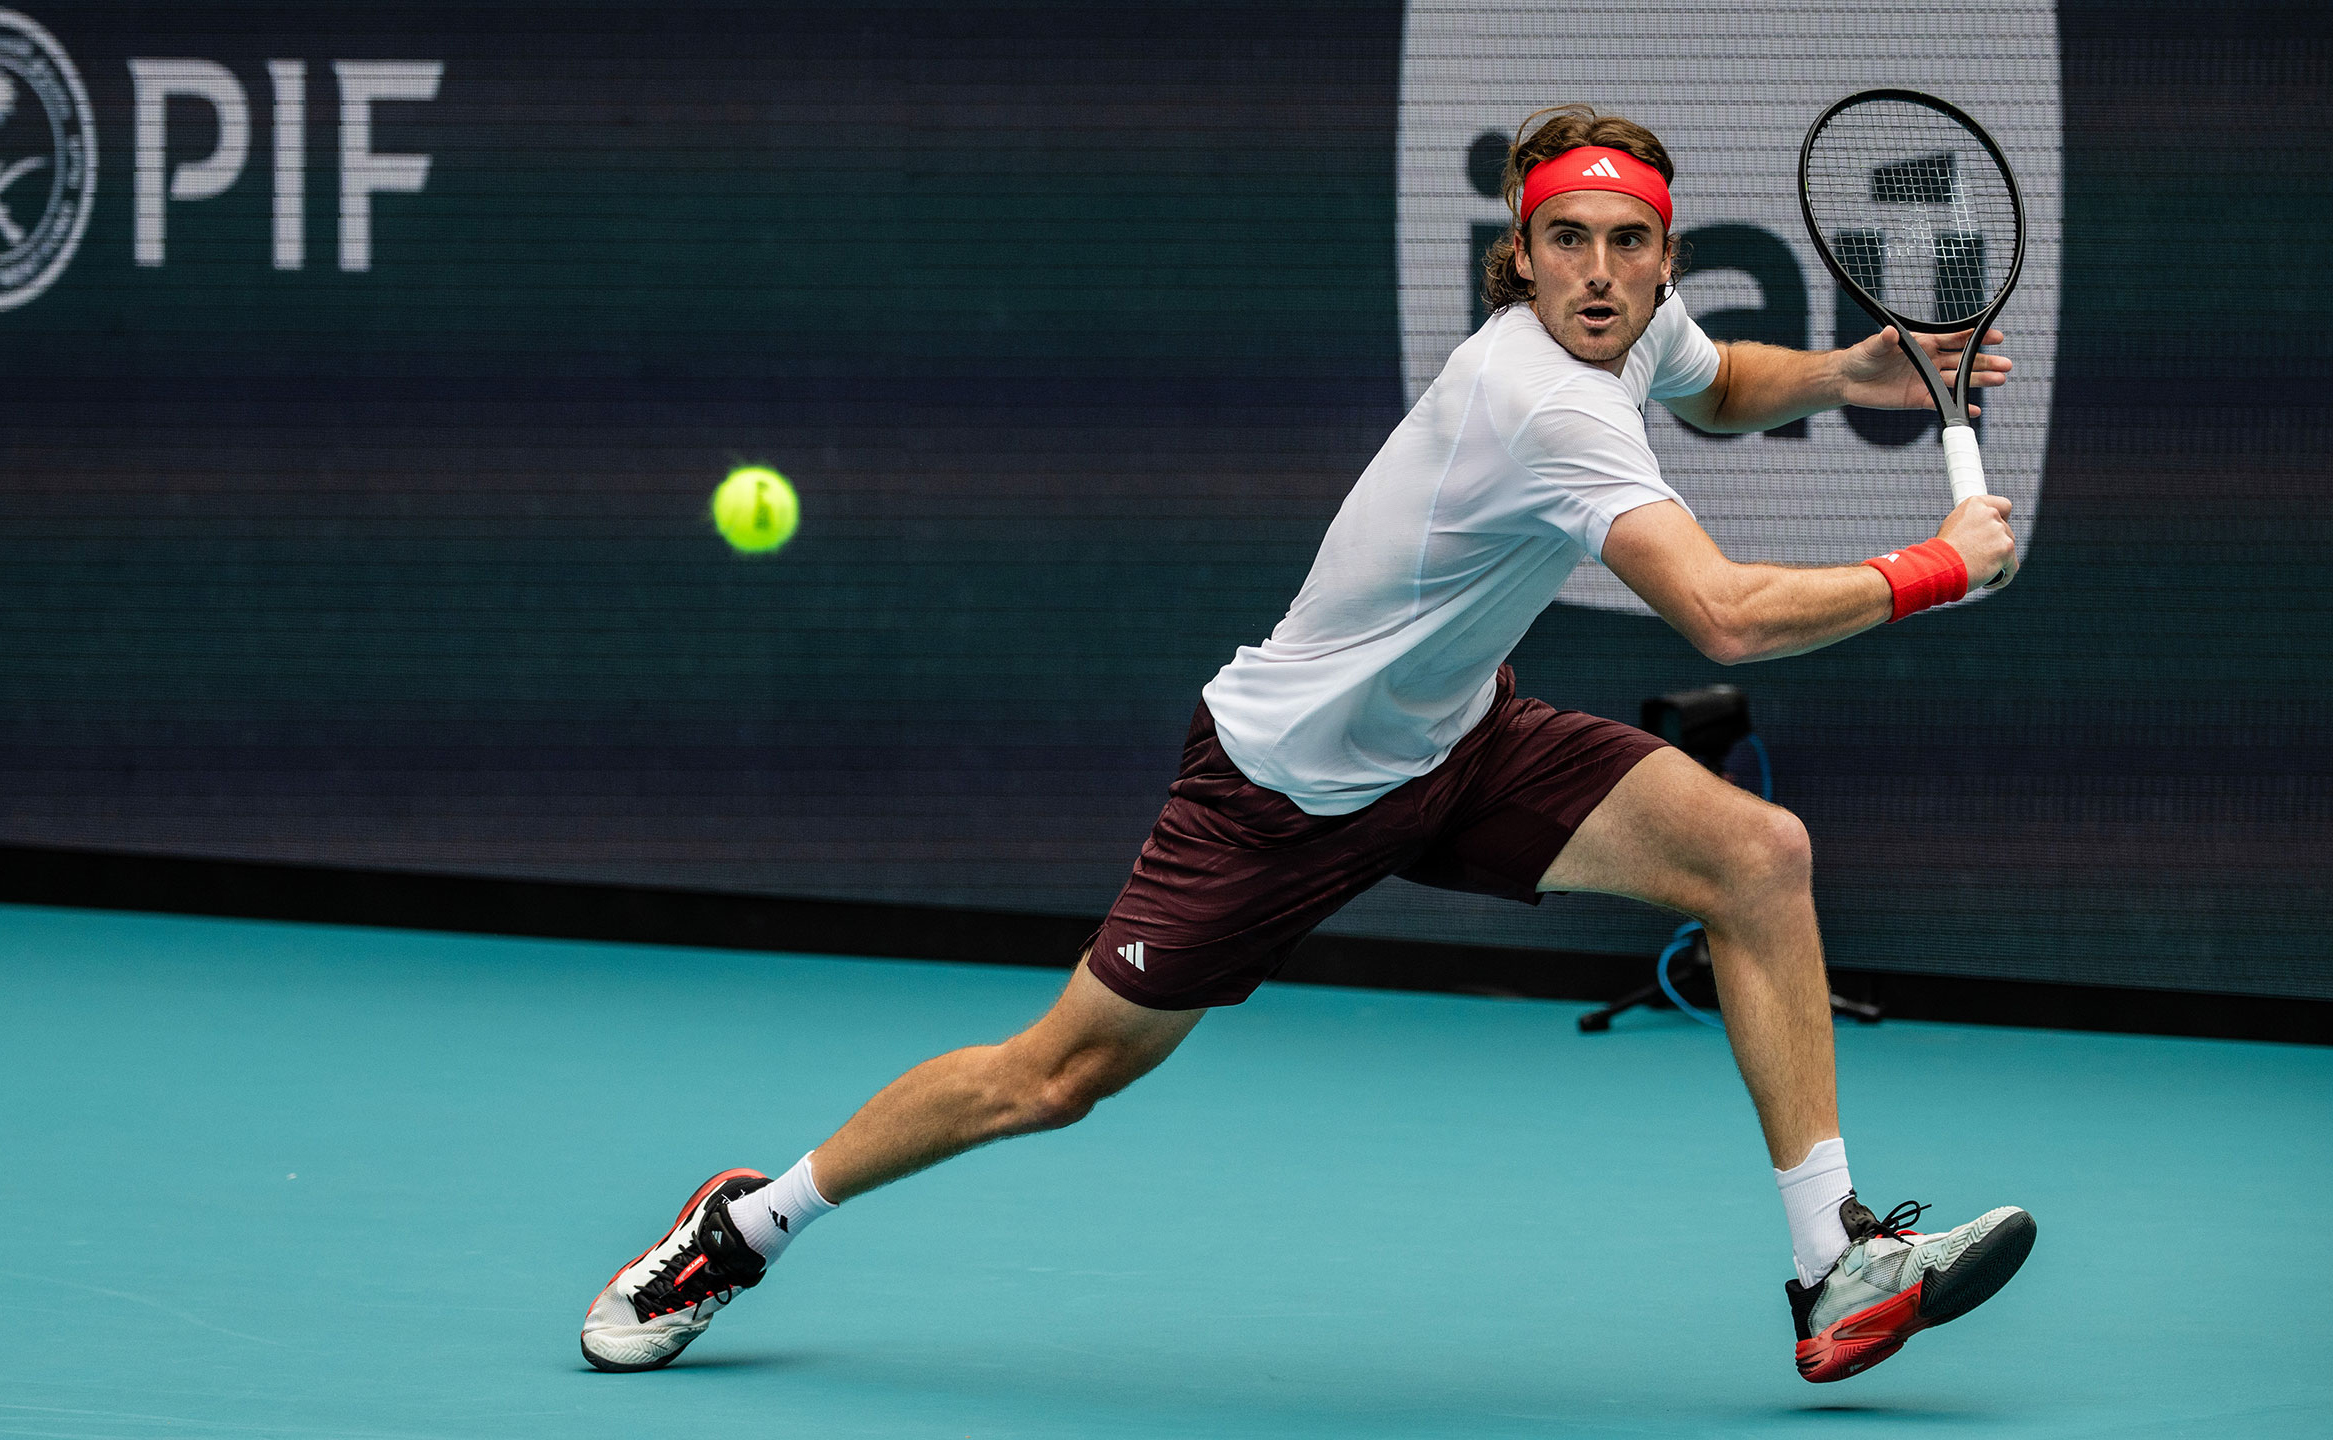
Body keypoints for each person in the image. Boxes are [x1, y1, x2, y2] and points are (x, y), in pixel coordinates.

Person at [581, 104, 2035, 1387]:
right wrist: (1940, 566)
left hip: (1460, 744)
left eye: (1629, 243)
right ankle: (746, 1225)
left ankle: (1832, 1265)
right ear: (1521, 259)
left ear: (1664, 259)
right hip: (1278, 795)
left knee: (1757, 855)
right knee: (1053, 1081)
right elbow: (1722, 616)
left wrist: (1850, 376)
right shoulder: (1541, 401)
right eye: (1568, 241)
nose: (1599, 271)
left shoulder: (1635, 332)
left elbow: (1713, 387)